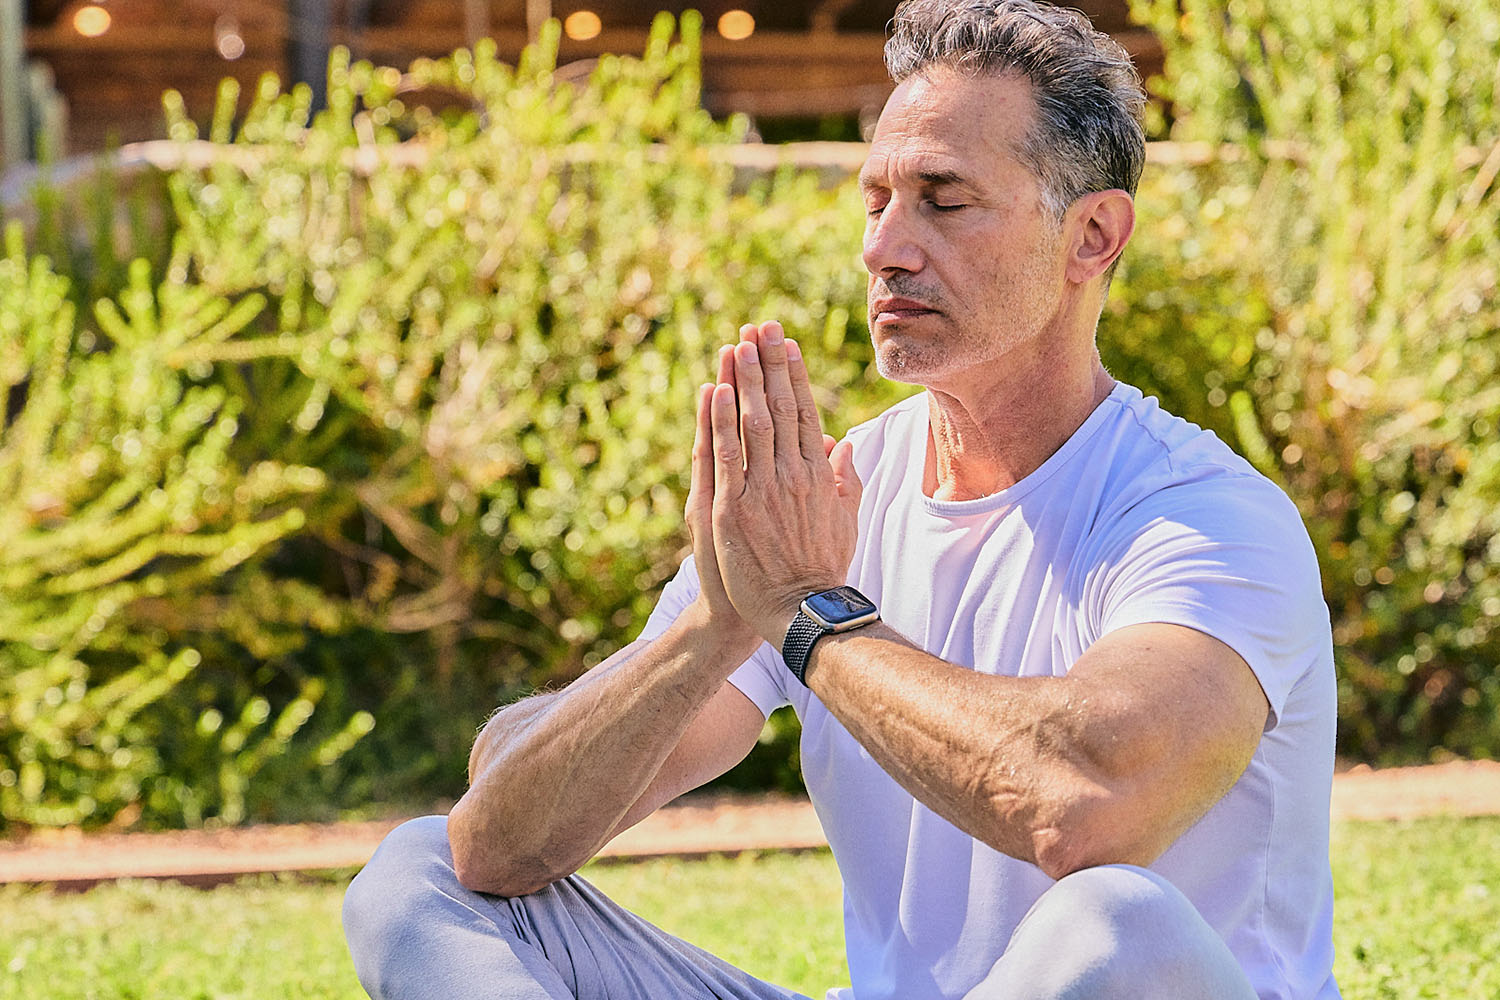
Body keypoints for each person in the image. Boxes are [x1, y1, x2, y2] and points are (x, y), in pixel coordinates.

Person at [341, 1, 1340, 997]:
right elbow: (500, 845)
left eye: (942, 200)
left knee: (1114, 920)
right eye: (876, 200)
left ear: (1093, 235)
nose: (885, 249)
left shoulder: (1206, 515)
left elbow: (1086, 804)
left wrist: (810, 616)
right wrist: (717, 625)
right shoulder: (822, 509)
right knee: (421, 872)